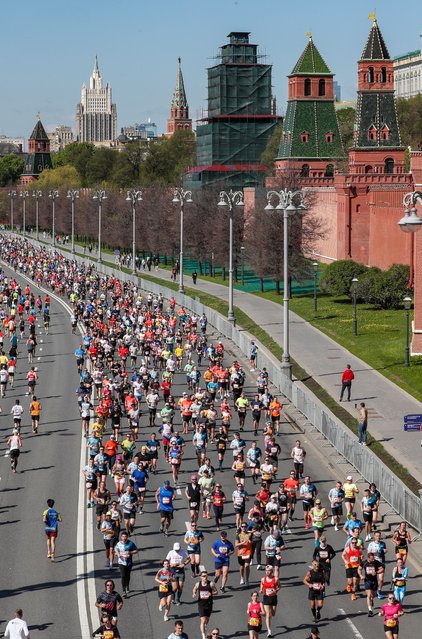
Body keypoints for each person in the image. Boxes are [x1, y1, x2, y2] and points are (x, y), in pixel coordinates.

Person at [193, 570, 218, 639]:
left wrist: (212, 593)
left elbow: (216, 592)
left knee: (206, 620)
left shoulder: (211, 584)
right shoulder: (198, 584)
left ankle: (205, 624)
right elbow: (195, 588)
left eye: (206, 576)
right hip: (201, 604)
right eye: (204, 576)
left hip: (209, 604)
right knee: (203, 620)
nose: (205, 577)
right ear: (201, 577)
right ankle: (203, 636)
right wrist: (194, 593)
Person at [115, 531, 138, 597]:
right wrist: (118, 554)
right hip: (121, 562)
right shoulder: (119, 543)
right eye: (123, 536)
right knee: (123, 576)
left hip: (129, 562)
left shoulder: (130, 543)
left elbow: (136, 550)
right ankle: (123, 590)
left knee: (127, 575)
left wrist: (130, 552)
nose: (124, 538)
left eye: (125, 536)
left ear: (127, 537)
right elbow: (116, 548)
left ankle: (127, 585)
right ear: (121, 537)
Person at [259, 564, 280, 638]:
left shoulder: (276, 579)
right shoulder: (263, 579)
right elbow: (261, 584)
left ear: (272, 571)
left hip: (273, 597)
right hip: (266, 598)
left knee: (273, 613)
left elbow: (279, 586)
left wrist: (276, 590)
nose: (267, 572)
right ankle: (269, 631)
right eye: (266, 571)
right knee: (268, 614)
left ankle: (269, 612)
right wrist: (261, 589)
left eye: (269, 571)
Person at [362, 552, 384, 616]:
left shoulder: (376, 562)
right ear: (368, 558)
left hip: (374, 581)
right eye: (372, 559)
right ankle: (370, 610)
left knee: (373, 595)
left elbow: (382, 568)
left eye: (373, 558)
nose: (373, 560)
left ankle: (372, 599)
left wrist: (376, 572)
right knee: (368, 595)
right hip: (367, 581)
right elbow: (359, 569)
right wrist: (360, 575)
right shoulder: (364, 563)